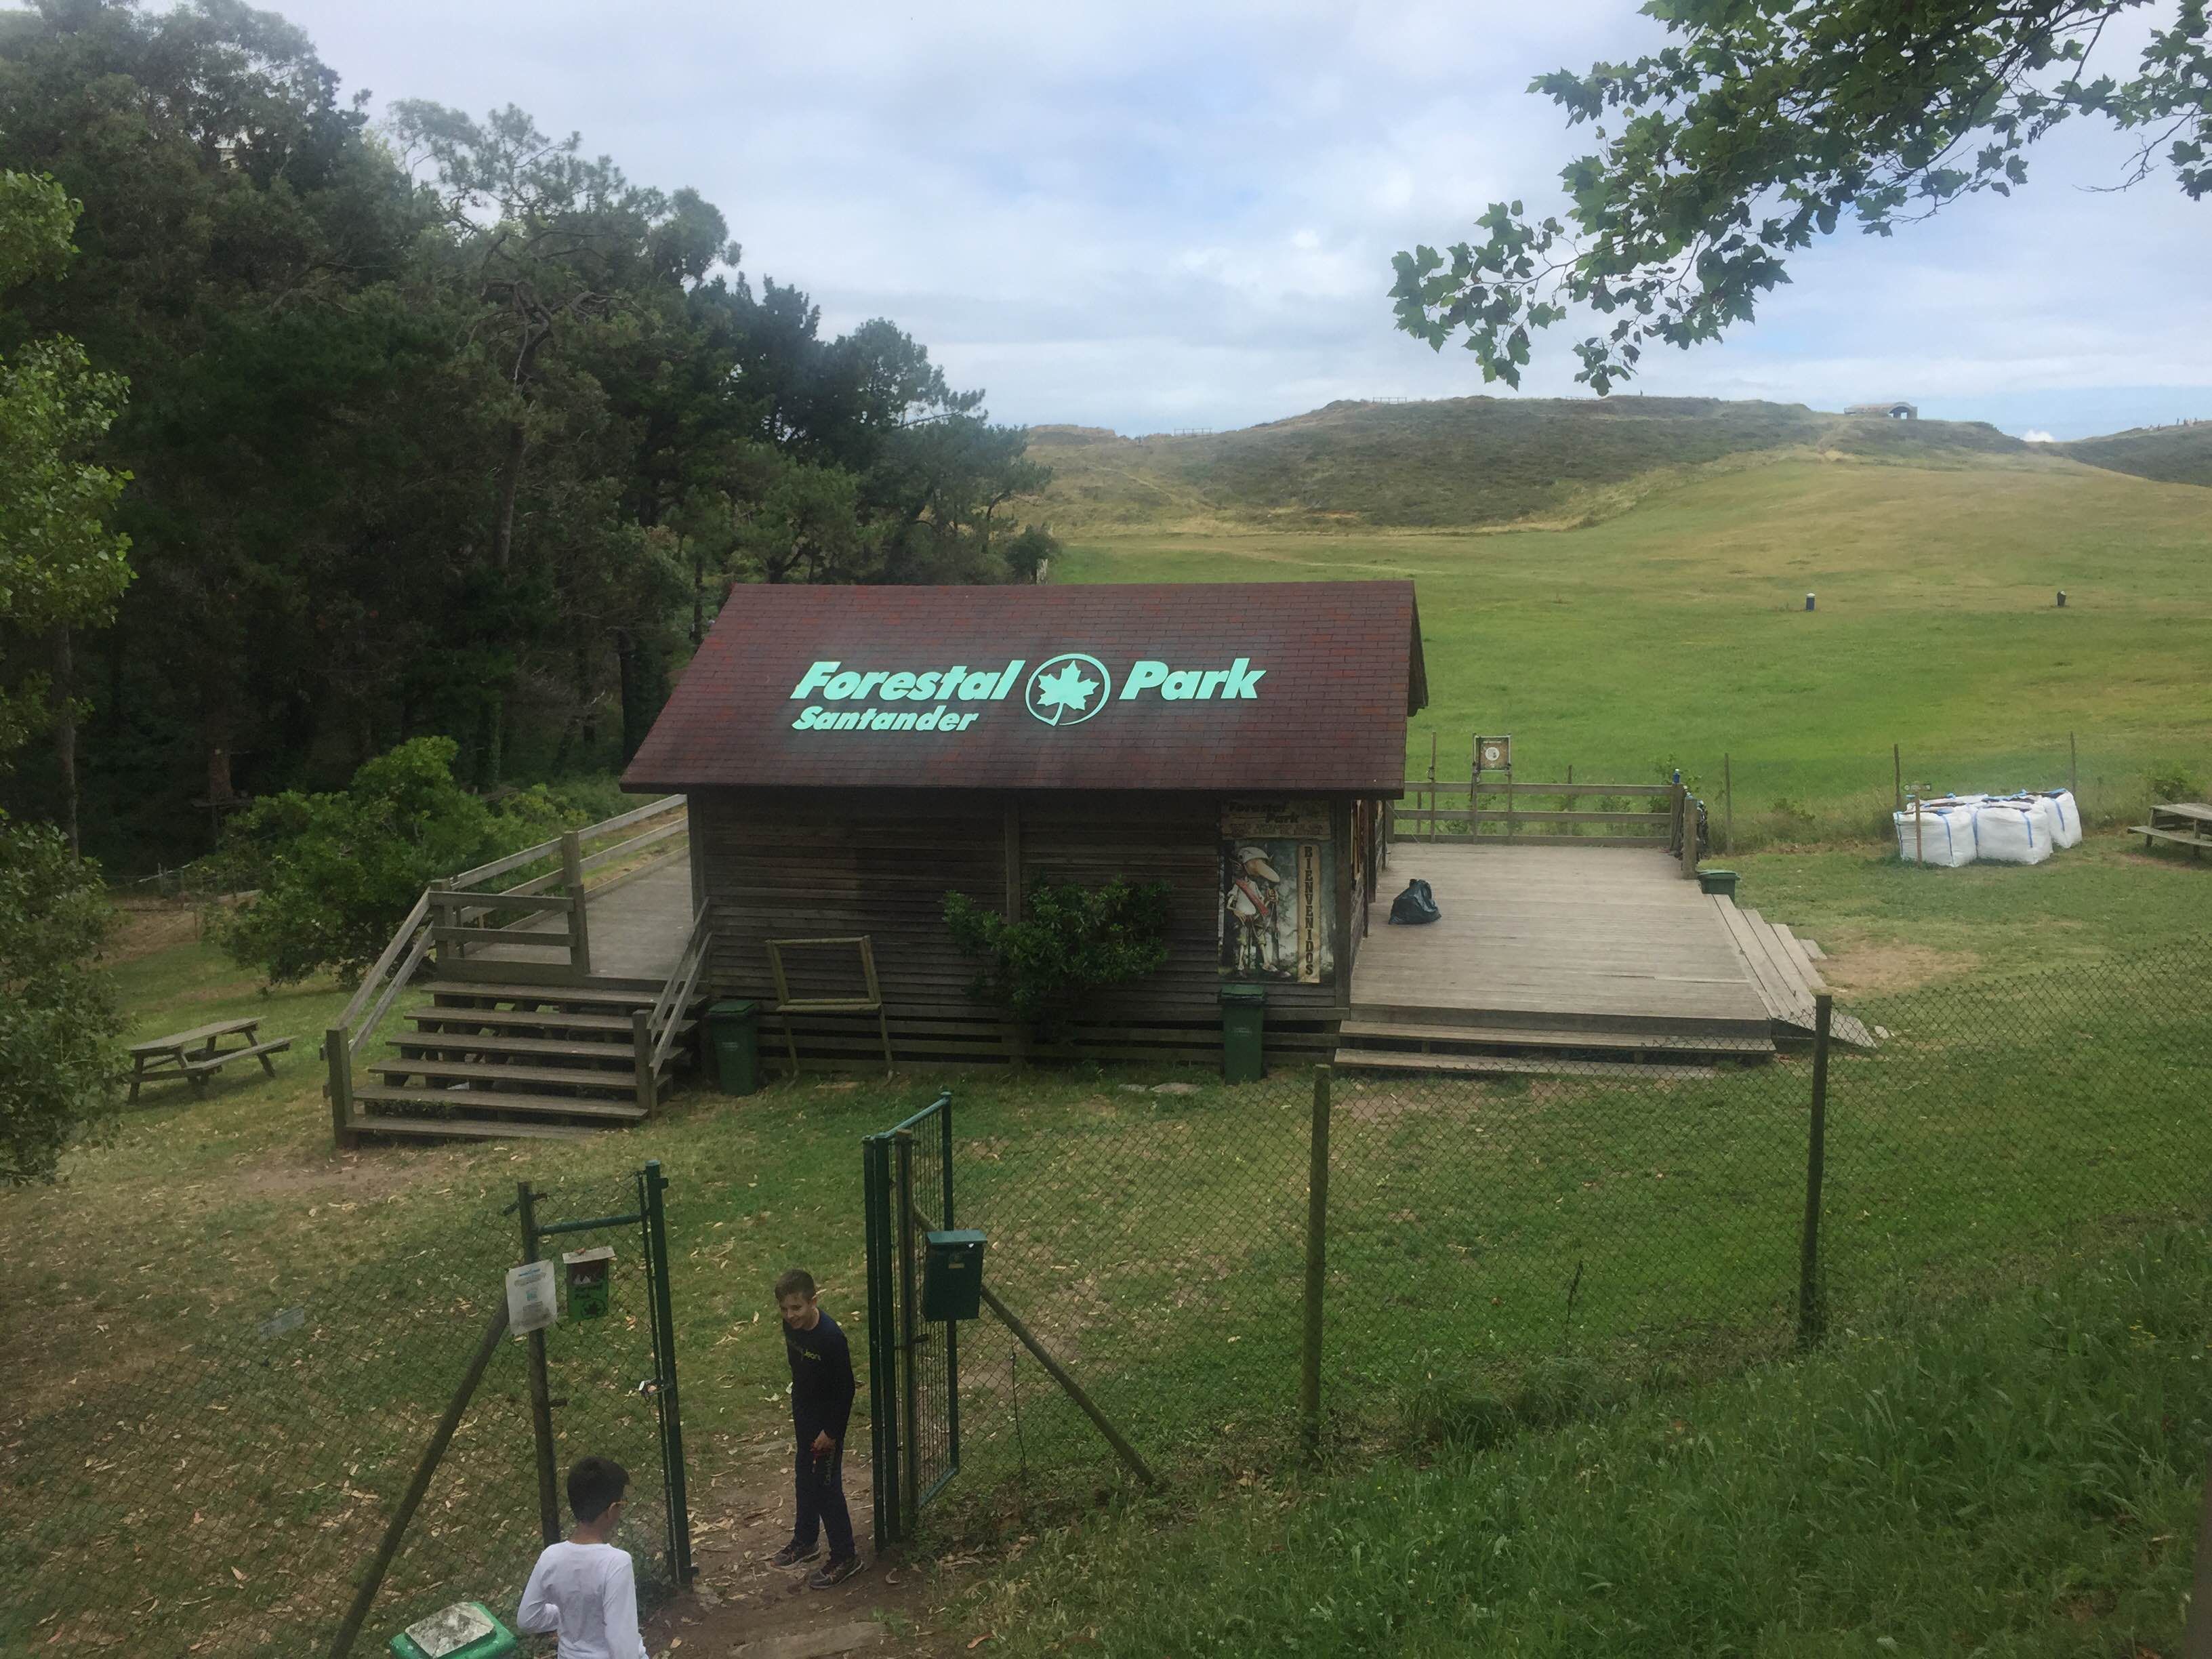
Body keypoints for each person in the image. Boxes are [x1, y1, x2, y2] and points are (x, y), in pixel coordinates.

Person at [769, 1267, 864, 1587]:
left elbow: (846, 1389)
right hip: (806, 1414)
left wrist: (831, 1433)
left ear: (813, 1302)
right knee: (804, 1477)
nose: (790, 1315)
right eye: (784, 1309)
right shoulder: (790, 1326)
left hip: (828, 1422)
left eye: (796, 1308)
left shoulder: (831, 1338)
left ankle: (845, 1555)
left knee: (826, 1486)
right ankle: (806, 1540)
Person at [518, 1455, 646, 1659]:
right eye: (622, 1503)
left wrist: (571, 1613)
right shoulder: (616, 1563)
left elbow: (527, 1619)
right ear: (612, 1509)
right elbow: (622, 1643)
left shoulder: (551, 1556)